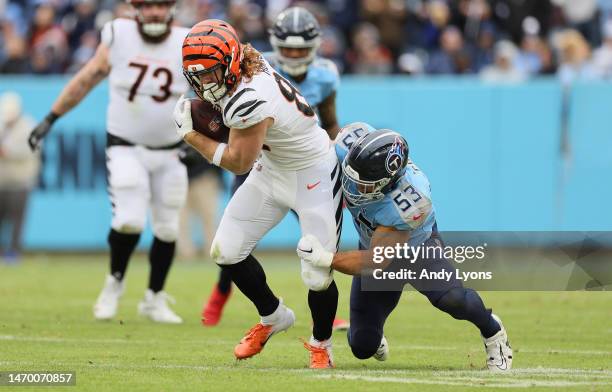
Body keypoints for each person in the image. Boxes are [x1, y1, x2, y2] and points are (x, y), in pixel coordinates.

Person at [175, 19, 342, 368]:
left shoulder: (250, 97)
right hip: (272, 168)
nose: (205, 82)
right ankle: (273, 316)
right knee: (226, 250)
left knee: (316, 270)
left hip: (313, 174)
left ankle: (321, 344)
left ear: (232, 63)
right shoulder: (247, 62)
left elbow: (237, 163)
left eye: (211, 72)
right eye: (198, 74)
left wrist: (192, 136)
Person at [297, 123, 513, 371]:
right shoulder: (351, 144)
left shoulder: (409, 202)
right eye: (351, 176)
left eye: (365, 184)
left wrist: (325, 258)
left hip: (417, 250)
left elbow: (375, 261)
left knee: (452, 299)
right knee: (362, 345)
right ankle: (373, 334)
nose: (353, 188)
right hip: (374, 245)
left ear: (388, 182)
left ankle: (493, 331)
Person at [27, 0, 189, 324]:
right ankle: (114, 283)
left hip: (171, 150)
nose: (155, 12)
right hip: (125, 145)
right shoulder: (118, 34)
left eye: (161, 5)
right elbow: (86, 79)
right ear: (135, 9)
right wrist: (51, 117)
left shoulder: (188, 41)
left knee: (168, 227)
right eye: (148, 5)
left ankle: (154, 298)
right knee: (129, 220)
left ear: (172, 8)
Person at [0, 92, 39, 263]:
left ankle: (14, 253)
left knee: (17, 220)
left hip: (20, 182)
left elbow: (24, 151)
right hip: (2, 182)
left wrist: (6, 151)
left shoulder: (28, 127)